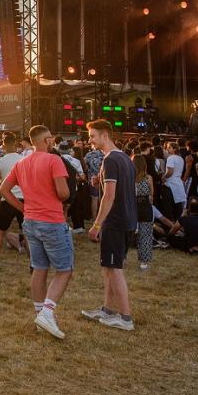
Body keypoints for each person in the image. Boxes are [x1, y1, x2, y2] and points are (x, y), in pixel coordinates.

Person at [0, 125, 71, 339]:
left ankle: (40, 315)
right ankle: (47, 313)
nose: (53, 141)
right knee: (64, 269)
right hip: (51, 219)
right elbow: (64, 193)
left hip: (30, 220)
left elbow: (3, 189)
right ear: (46, 140)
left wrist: (22, 207)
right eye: (50, 138)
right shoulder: (53, 160)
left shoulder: (22, 162)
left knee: (39, 268)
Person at [82, 120, 136, 332]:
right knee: (108, 267)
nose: (90, 140)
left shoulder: (111, 159)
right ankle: (107, 310)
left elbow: (110, 196)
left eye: (93, 136)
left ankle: (125, 317)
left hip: (115, 221)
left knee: (114, 269)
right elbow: (119, 187)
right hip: (127, 219)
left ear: (105, 136)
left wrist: (97, 224)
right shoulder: (124, 158)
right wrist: (100, 181)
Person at [0, 134, 25, 271]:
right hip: (23, 200)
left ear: (3, 145)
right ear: (16, 144)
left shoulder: (0, 162)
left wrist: (3, 189)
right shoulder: (24, 160)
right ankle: (35, 265)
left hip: (7, 200)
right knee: (27, 232)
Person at [132, 154, 155, 270]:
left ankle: (121, 256)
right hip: (145, 206)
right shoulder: (148, 178)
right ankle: (144, 261)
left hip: (132, 206)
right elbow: (152, 195)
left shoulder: (130, 177)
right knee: (145, 234)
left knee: (127, 233)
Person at [162, 142, 188, 220]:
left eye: (169, 147)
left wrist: (163, 177)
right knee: (178, 206)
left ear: (175, 149)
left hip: (170, 183)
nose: (167, 149)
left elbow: (170, 171)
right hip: (178, 183)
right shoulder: (180, 158)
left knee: (169, 206)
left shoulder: (171, 158)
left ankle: (171, 223)